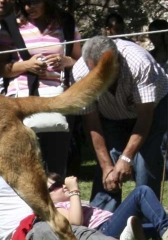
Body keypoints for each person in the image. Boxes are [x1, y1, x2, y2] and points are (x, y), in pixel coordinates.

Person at [0, 0, 81, 178]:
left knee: (56, 169)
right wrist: (26, 66)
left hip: (59, 101)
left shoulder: (65, 23)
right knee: (26, 170)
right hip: (22, 103)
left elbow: (80, 61)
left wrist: (66, 60)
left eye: (34, 1)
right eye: (23, 1)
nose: (27, 7)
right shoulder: (11, 25)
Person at [72, 36, 168, 212]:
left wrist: (126, 158)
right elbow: (92, 123)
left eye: (103, 72)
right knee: (108, 161)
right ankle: (103, 219)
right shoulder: (80, 73)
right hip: (111, 115)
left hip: (152, 110)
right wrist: (106, 165)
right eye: (94, 72)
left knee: (144, 162)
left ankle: (146, 220)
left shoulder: (139, 63)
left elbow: (145, 118)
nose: (98, 78)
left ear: (116, 61)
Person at [0, 174, 118, 240]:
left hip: (38, 219)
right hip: (25, 230)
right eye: (58, 185)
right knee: (64, 229)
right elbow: (75, 224)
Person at [48, 174, 168, 240]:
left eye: (61, 182)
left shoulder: (70, 202)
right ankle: (165, 229)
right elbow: (75, 222)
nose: (63, 186)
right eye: (56, 186)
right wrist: (74, 190)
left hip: (109, 223)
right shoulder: (56, 208)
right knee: (141, 192)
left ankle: (133, 235)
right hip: (103, 230)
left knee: (153, 229)